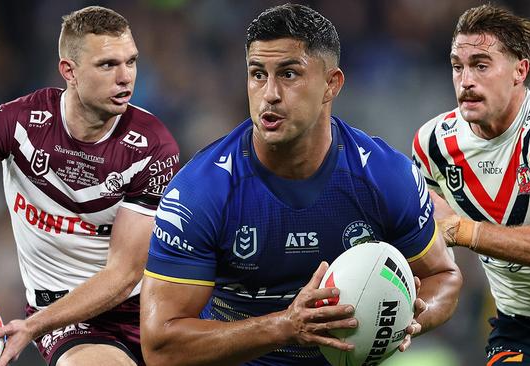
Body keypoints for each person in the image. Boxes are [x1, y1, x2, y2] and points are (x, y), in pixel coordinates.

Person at [140, 4, 462, 366]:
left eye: (289, 74)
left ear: (331, 84)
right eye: (257, 74)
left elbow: (443, 276)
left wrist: (410, 318)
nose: (270, 93)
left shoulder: (385, 176)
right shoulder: (201, 191)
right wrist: (286, 326)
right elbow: (160, 346)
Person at [0, 6, 180, 366]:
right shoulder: (19, 123)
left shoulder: (152, 146)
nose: (126, 77)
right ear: (69, 71)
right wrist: (38, 324)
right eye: (108, 65)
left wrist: (31, 326)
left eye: (131, 61)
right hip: (63, 316)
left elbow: (123, 275)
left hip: (147, 305)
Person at [412, 4, 530, 365]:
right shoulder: (432, 144)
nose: (466, 80)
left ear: (520, 70)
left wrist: (463, 230)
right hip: (518, 328)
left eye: (481, 65)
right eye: (458, 66)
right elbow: (427, 236)